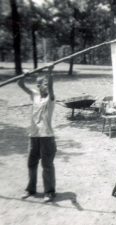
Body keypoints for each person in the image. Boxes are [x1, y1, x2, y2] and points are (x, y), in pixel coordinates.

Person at [18, 66, 57, 202]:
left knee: (47, 165)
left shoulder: (51, 98)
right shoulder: (34, 95)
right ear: (38, 86)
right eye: (44, 84)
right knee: (31, 163)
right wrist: (24, 75)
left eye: (47, 84)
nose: (46, 86)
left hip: (46, 136)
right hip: (33, 135)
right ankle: (30, 189)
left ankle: (49, 192)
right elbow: (20, 84)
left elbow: (51, 88)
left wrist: (50, 73)